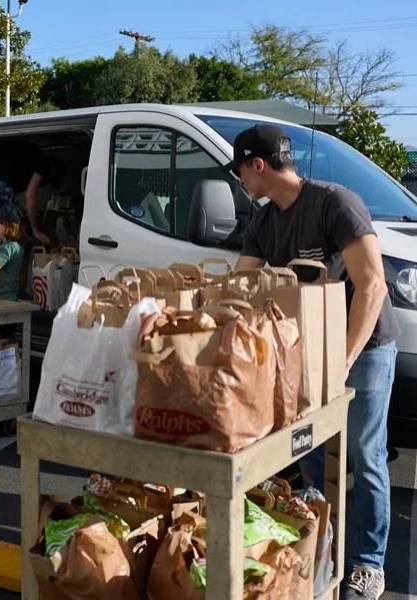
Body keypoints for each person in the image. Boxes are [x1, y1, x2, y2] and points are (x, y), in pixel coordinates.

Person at [230, 125, 398, 600]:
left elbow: (372, 286)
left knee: (364, 455)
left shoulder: (334, 204)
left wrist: (342, 363)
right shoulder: (263, 222)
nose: (240, 180)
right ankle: (319, 543)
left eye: (241, 169)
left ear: (257, 165)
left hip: (363, 349)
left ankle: (369, 562)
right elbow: (240, 287)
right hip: (303, 350)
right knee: (306, 451)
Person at [0, 142, 53, 245]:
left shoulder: (27, 161)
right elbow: (30, 194)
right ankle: (0, 258)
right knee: (10, 230)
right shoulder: (45, 163)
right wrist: (35, 231)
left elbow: (17, 199)